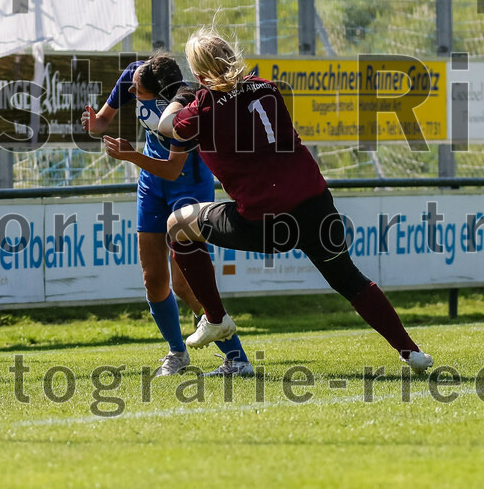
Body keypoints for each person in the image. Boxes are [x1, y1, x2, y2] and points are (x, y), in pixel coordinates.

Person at [156, 27, 433, 373]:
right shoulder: (269, 88)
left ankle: (216, 318)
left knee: (177, 225)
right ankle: (411, 352)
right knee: (349, 278)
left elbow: (166, 126)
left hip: (267, 223)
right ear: (232, 55)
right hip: (316, 205)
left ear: (199, 74)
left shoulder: (204, 109)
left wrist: (184, 96)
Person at [82, 53, 254, 377]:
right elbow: (103, 119)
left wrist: (130, 155)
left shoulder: (187, 107)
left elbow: (174, 170)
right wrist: (95, 124)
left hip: (187, 185)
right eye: (131, 88)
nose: (132, 93)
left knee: (186, 285)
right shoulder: (136, 75)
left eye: (138, 92)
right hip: (151, 184)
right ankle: (177, 353)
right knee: (153, 281)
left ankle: (237, 358)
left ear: (161, 94)